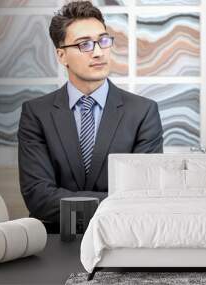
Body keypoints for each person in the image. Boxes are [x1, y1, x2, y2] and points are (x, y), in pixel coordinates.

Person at [17, 1, 163, 233]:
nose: (98, 52)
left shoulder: (143, 112)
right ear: (62, 55)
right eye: (84, 44)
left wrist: (72, 201)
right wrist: (113, 201)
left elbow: (143, 197)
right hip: (55, 240)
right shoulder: (36, 114)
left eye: (103, 41)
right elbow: (38, 197)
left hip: (121, 238)